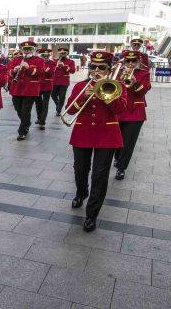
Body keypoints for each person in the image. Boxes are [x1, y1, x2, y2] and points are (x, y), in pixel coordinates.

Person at [65, 51, 127, 232]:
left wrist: (103, 94)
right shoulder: (80, 86)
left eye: (101, 68)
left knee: (99, 176)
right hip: (83, 133)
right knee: (80, 170)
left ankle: (92, 214)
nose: (96, 70)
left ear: (109, 69)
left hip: (107, 135)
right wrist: (84, 96)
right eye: (93, 67)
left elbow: (121, 109)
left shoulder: (117, 85)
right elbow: (69, 110)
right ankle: (81, 192)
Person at [113, 50, 151, 180]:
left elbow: (144, 90)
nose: (130, 63)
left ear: (138, 61)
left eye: (133, 61)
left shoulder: (144, 73)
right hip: (118, 110)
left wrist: (135, 82)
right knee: (118, 140)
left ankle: (121, 168)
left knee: (128, 142)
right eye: (127, 61)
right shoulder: (116, 72)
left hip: (135, 111)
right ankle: (117, 157)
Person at [7, 41, 44, 140]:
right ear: (22, 50)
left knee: (25, 110)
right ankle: (27, 122)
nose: (27, 51)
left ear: (33, 50)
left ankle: (22, 131)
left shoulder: (38, 60)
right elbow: (9, 71)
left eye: (29, 49)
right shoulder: (16, 59)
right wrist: (14, 70)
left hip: (30, 89)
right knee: (18, 108)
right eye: (25, 49)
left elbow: (40, 72)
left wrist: (28, 68)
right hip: (16, 88)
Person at [51, 48, 77, 116]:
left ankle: (58, 110)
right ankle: (58, 104)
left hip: (64, 82)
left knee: (62, 97)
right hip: (55, 81)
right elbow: (51, 70)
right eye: (60, 53)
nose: (62, 55)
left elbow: (73, 71)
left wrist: (64, 66)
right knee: (53, 95)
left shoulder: (70, 61)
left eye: (64, 53)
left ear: (67, 54)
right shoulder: (55, 60)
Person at [35, 48, 55, 130]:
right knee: (38, 103)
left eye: (47, 55)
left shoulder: (52, 63)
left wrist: (44, 70)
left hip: (47, 85)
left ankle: (42, 121)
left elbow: (51, 72)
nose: (45, 57)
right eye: (43, 55)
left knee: (45, 104)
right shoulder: (37, 62)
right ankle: (39, 118)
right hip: (38, 85)